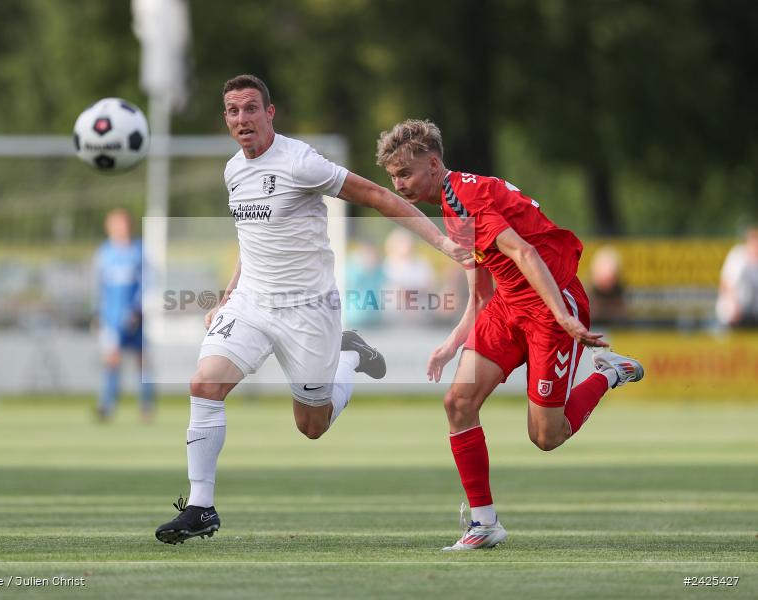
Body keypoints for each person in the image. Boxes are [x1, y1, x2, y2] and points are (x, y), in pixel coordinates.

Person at [155, 75, 468, 544]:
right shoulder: (232, 171)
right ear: (226, 118)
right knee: (205, 384)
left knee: (312, 426)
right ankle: (201, 506)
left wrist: (443, 241)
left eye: (251, 109)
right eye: (233, 111)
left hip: (309, 311)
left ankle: (349, 355)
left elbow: (379, 196)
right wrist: (227, 296)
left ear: (269, 113)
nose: (243, 119)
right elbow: (252, 241)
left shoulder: (301, 162)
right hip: (253, 304)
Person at [375, 119, 644, 551]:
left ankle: (609, 374)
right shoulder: (450, 202)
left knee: (546, 436)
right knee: (458, 402)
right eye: (393, 178)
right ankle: (484, 523)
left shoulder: (466, 196)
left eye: (405, 174)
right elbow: (482, 288)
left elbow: (525, 251)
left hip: (548, 306)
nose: (400, 184)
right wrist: (453, 342)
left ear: (433, 163)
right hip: (508, 307)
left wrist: (564, 316)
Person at [93, 208, 156, 421]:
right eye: (116, 224)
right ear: (108, 227)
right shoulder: (104, 253)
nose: (121, 228)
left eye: (124, 223)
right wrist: (98, 314)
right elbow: (98, 287)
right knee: (112, 358)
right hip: (111, 317)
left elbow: (147, 282)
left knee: (142, 360)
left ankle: (146, 405)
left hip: (135, 314)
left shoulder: (138, 251)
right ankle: (107, 404)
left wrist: (138, 309)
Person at [717, 225, 758, 328]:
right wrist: (734, 303)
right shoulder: (738, 255)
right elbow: (725, 282)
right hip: (735, 302)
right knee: (728, 308)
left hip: (753, 305)